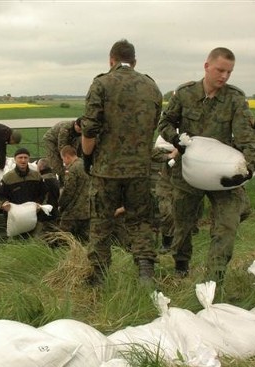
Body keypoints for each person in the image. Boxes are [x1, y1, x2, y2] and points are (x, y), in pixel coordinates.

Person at [158, 47, 255, 284]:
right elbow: (165, 122)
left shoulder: (235, 98)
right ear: (207, 66)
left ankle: (214, 278)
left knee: (227, 224)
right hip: (188, 172)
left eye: (229, 72)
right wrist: (175, 139)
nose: (224, 76)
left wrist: (247, 170)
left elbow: (247, 136)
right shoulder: (184, 94)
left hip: (221, 172)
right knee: (183, 223)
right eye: (220, 70)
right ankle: (181, 265)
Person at [81, 39, 162, 287]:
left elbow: (90, 128)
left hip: (107, 169)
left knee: (101, 222)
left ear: (111, 59)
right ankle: (145, 270)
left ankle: (99, 277)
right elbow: (154, 125)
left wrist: (87, 158)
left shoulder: (101, 83)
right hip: (140, 169)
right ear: (135, 61)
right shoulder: (151, 86)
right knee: (140, 221)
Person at [0, 147, 48, 236]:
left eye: (25, 157)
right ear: (15, 159)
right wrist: (4, 204)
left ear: (29, 159)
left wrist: (39, 204)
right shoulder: (8, 178)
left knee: (35, 242)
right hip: (16, 219)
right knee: (17, 244)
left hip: (34, 217)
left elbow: (44, 193)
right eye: (20, 158)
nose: (23, 160)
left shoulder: (36, 176)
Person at [58, 145, 90, 242]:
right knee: (84, 240)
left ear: (67, 156)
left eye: (63, 159)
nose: (63, 162)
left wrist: (61, 205)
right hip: (88, 210)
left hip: (73, 211)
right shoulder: (86, 165)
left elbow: (68, 191)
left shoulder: (72, 169)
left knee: (63, 239)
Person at [41, 118, 82, 184]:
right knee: (55, 161)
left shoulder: (80, 131)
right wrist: (66, 160)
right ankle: (61, 181)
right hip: (51, 140)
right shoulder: (65, 128)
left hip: (67, 141)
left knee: (72, 158)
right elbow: (62, 146)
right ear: (76, 124)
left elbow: (75, 149)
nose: (80, 132)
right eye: (79, 129)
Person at [37, 158, 60, 231]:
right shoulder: (55, 178)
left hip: (45, 213)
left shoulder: (42, 180)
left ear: (40, 167)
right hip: (55, 211)